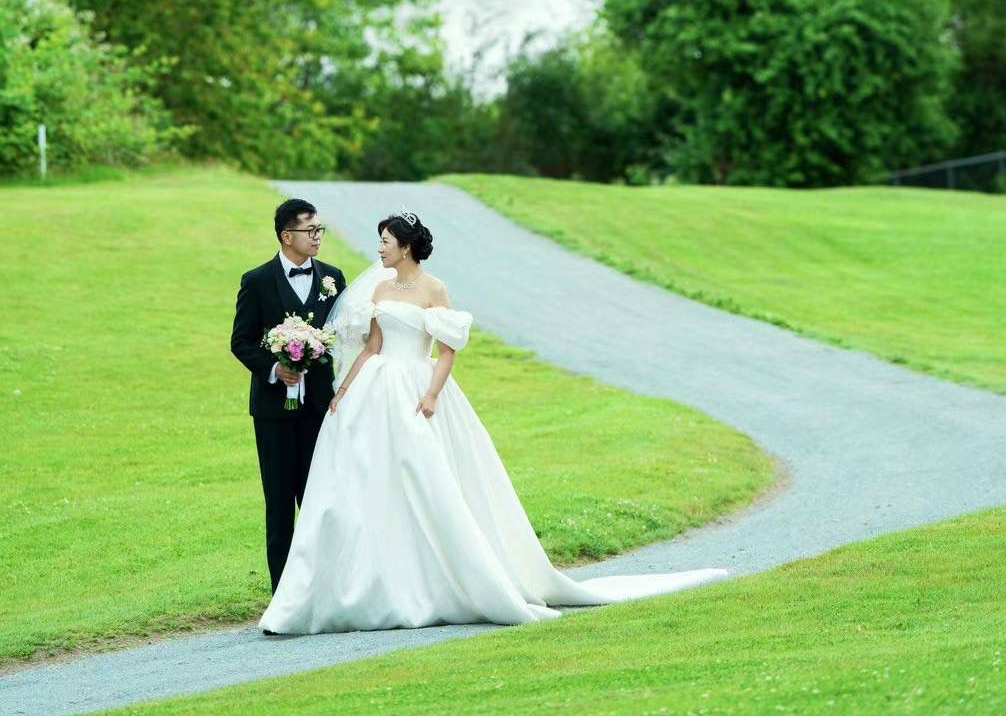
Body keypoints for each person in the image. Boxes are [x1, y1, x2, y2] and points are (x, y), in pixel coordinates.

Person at [260, 210, 725, 634]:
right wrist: (344, 390)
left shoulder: (434, 289)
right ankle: (371, 581)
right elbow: (372, 347)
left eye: (385, 241)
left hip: (417, 385)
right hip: (376, 388)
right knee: (369, 480)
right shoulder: (379, 290)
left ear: (406, 246)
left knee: (424, 474)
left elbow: (447, 350)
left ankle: (443, 578)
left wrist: (431, 394)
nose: (379, 248)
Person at [230, 198, 346, 592]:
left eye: (319, 230)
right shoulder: (257, 281)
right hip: (273, 415)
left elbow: (344, 337)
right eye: (309, 230)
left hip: (320, 410)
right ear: (286, 235)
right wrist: (274, 368)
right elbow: (241, 341)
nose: (317, 237)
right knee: (279, 504)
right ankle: (283, 595)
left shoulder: (333, 278)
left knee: (321, 501)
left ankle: (323, 590)